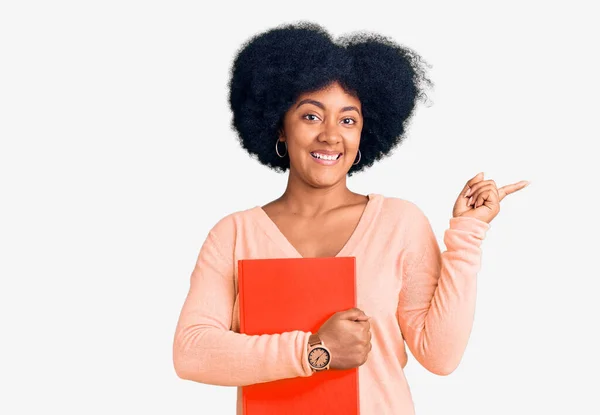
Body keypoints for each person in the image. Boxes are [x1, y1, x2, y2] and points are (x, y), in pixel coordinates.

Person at [172, 21, 529, 414]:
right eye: (311, 116)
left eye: (348, 120)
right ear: (280, 126)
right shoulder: (234, 234)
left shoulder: (399, 223)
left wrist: (468, 234)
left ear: (364, 134)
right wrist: (314, 351)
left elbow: (439, 357)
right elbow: (191, 352)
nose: (330, 135)